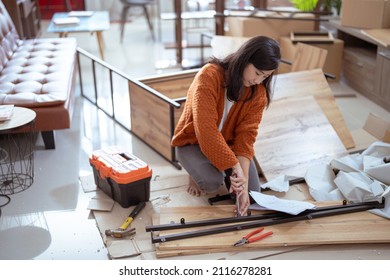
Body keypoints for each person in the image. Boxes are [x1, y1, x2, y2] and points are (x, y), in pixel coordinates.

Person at [171, 35, 281, 215]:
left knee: (252, 196)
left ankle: (219, 166)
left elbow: (246, 139)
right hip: (193, 142)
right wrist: (234, 167)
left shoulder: (258, 93)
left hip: (227, 145)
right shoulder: (209, 76)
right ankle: (193, 172)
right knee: (211, 183)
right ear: (245, 59)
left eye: (265, 76)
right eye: (257, 73)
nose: (258, 81)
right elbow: (205, 132)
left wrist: (242, 183)